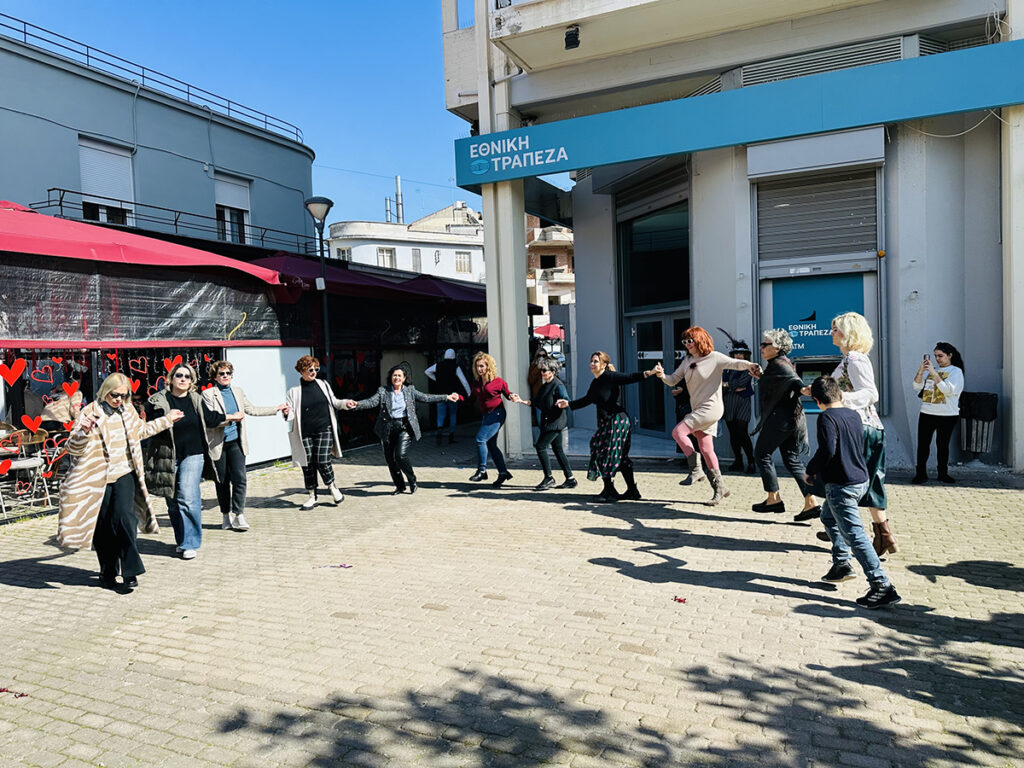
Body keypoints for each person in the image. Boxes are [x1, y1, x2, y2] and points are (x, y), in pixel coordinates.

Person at [57, 373, 182, 592]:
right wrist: (84, 432)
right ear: (106, 391)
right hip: (96, 478)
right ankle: (107, 572)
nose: (119, 400)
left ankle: (130, 571)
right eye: (115, 395)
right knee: (103, 527)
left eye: (124, 396)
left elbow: (141, 432)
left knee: (125, 519)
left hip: (124, 472)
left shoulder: (128, 410)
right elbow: (72, 448)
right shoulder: (90, 412)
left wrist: (167, 420)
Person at [805, 376, 901, 609]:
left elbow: (828, 449)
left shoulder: (826, 417)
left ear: (817, 400)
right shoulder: (854, 415)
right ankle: (841, 564)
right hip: (860, 480)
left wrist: (811, 470)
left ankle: (882, 586)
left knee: (855, 535)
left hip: (841, 485)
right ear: (839, 394)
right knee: (828, 517)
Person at [805, 312, 895, 556]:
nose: (831, 333)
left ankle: (845, 528)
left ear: (848, 333)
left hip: (860, 427)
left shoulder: (854, 359)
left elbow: (870, 394)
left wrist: (840, 398)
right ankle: (881, 534)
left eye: (836, 329)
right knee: (869, 480)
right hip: (866, 426)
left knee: (844, 480)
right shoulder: (848, 359)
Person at [145, 363, 240, 560]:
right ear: (170, 378)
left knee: (188, 497)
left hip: (193, 454)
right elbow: (152, 427)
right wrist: (168, 419)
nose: (183, 379)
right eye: (179, 375)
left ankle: (191, 543)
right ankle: (182, 541)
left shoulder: (196, 399)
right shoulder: (157, 400)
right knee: (172, 501)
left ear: (192, 381)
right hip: (167, 456)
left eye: (187, 377)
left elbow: (211, 418)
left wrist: (231, 417)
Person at [656, 326, 753, 505]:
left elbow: (736, 364)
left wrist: (751, 366)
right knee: (706, 448)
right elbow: (672, 380)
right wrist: (662, 375)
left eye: (690, 341)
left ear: (700, 340)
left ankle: (696, 469)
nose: (687, 344)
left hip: (711, 408)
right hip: (698, 408)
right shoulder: (687, 360)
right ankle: (720, 488)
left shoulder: (714, 357)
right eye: (684, 342)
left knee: (678, 432)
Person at [556, 351, 659, 502]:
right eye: (591, 361)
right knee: (610, 453)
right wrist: (569, 404)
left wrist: (650, 372)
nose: (592, 364)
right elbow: (587, 399)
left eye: (596, 361)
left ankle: (610, 492)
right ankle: (631, 491)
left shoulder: (611, 377)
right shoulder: (595, 383)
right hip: (606, 422)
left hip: (617, 421)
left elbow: (631, 377)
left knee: (606, 453)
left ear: (603, 364)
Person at [202, 360, 289, 531]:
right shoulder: (208, 394)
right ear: (215, 376)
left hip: (236, 441)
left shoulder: (238, 391)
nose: (225, 376)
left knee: (240, 478)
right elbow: (211, 420)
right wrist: (232, 418)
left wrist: (276, 409)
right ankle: (225, 515)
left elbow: (252, 409)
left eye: (228, 373)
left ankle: (239, 514)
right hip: (218, 444)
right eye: (221, 374)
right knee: (222, 482)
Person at [346, 362, 460, 494]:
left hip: (404, 427)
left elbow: (426, 397)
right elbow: (371, 402)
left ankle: (412, 480)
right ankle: (400, 486)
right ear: (391, 377)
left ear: (404, 378)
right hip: (387, 428)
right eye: (395, 375)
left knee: (400, 455)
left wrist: (446, 397)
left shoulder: (409, 390)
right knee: (391, 460)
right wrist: (356, 404)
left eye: (399, 376)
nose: (397, 378)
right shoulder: (383, 391)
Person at [749, 329, 821, 521]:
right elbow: (778, 385)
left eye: (766, 344)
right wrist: (761, 376)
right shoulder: (776, 365)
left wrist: (806, 390)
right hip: (790, 420)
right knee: (792, 460)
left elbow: (795, 383)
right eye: (762, 344)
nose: (761, 347)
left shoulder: (781, 365)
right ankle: (810, 502)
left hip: (780, 420)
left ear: (778, 347)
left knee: (761, 454)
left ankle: (773, 499)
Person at [285, 355, 355, 510]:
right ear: (301, 371)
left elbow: (335, 402)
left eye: (316, 369)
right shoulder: (294, 392)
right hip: (304, 432)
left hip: (324, 429)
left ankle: (332, 487)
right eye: (310, 369)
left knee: (322, 460)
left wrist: (345, 403)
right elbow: (290, 415)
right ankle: (312, 496)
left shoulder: (323, 384)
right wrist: (285, 411)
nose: (313, 372)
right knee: (307, 463)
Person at [514, 357, 577, 491]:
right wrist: (521, 401)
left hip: (555, 423)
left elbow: (566, 399)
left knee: (540, 446)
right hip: (550, 422)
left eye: (544, 370)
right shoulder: (545, 386)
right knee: (558, 450)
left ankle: (549, 478)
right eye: (541, 370)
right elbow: (536, 401)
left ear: (553, 371)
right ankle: (570, 479)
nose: (542, 372)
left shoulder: (557, 385)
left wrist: (562, 403)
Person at [912, 342, 965, 485]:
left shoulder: (956, 372)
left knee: (943, 445)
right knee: (923, 445)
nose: (938, 359)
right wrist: (921, 371)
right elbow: (917, 387)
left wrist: (934, 374)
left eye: (941, 356)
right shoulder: (932, 371)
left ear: (950, 355)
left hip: (947, 414)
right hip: (927, 412)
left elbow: (948, 390)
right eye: (935, 356)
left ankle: (943, 473)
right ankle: (920, 473)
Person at [467, 352, 521, 487]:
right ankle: (503, 472)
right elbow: (470, 400)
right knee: (491, 445)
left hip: (497, 414)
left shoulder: (498, 382)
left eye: (482, 366)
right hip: (486, 416)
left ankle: (482, 470)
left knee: (480, 439)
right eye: (477, 366)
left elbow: (508, 394)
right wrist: (457, 398)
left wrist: (513, 396)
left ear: (488, 367)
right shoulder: (476, 384)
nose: (479, 369)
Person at [721, 338, 755, 473]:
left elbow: (742, 383)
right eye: (736, 354)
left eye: (741, 354)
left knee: (742, 432)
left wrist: (728, 385)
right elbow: (720, 384)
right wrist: (728, 385)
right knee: (733, 434)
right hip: (729, 402)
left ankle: (751, 461)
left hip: (742, 402)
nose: (738, 356)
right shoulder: (727, 368)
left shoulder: (749, 367)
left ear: (746, 355)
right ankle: (738, 461)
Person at [424, 349, 471, 445]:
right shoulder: (456, 367)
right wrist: (469, 393)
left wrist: (437, 379)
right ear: (454, 357)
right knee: (453, 414)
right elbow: (464, 381)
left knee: (440, 416)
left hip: (441, 395)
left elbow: (427, 371)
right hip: (453, 395)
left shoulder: (438, 365)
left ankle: (439, 434)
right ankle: (451, 436)